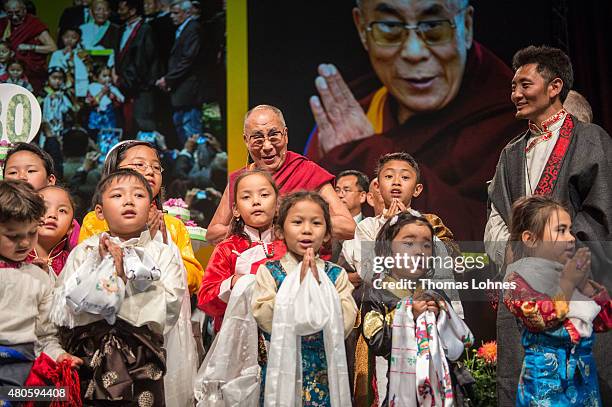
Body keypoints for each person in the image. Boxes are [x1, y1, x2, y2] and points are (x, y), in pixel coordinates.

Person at [305, 0, 524, 241]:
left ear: (467, 26)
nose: (414, 52)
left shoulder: (514, 118)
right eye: (388, 27)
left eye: (434, 26)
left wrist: (362, 153)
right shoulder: (349, 118)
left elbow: (499, 236)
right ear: (362, 28)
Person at [485, 46, 612, 405]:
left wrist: (557, 251)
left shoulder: (590, 139)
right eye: (512, 86)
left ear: (555, 86)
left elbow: (602, 212)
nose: (515, 94)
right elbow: (498, 214)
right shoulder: (510, 153)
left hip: (574, 287)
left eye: (525, 84)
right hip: (527, 293)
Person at [52, 169, 185, 404]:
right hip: (90, 354)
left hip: (142, 356)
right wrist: (108, 278)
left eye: (138, 195)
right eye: (117, 196)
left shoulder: (162, 253)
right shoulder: (85, 251)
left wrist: (122, 281)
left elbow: (171, 305)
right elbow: (66, 307)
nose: (129, 201)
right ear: (100, 212)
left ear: (152, 208)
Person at [503, 196, 611, 406]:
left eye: (570, 230)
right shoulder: (518, 279)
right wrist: (568, 284)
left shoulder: (567, 273)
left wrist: (587, 288)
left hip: (584, 379)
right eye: (561, 230)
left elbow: (603, 322)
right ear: (530, 239)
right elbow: (541, 318)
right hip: (546, 382)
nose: (570, 238)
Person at [252, 191, 357, 406]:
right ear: (280, 231)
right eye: (297, 222)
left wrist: (318, 286)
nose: (307, 230)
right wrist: (296, 287)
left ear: (327, 234)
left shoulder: (335, 275)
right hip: (283, 368)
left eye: (316, 223)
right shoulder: (270, 271)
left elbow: (346, 321)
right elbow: (263, 316)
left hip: (325, 370)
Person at [361, 211, 473, 406]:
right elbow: (376, 341)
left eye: (426, 244)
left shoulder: (435, 295)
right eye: (408, 243)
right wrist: (408, 316)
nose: (419, 251)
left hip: (442, 387)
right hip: (399, 386)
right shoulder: (377, 294)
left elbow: (460, 344)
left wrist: (441, 318)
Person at [206, 104, 356, 244]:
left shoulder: (307, 170)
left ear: (285, 135)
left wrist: (292, 219)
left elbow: (348, 227)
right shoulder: (240, 180)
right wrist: (250, 228)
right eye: (258, 139)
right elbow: (212, 234)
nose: (267, 146)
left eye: (274, 136)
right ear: (246, 141)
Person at [79, 140, 204, 295]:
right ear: (115, 171)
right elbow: (85, 269)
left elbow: (195, 278)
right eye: (139, 164)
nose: (150, 171)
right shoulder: (97, 219)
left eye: (156, 167)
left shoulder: (174, 225)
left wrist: (163, 246)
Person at [0, 180, 81, 387]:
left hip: (25, 367)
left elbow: (46, 337)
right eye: (13, 236)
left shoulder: (39, 278)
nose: (25, 242)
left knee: (57, 394)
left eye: (32, 232)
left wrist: (60, 356)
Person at [346, 152, 459, 278]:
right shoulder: (366, 227)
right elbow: (368, 273)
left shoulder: (430, 224)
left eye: (405, 177)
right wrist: (387, 227)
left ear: (417, 190)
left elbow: (445, 271)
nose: (396, 182)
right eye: (389, 176)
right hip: (382, 296)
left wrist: (408, 224)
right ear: (377, 186)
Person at [198, 170, 284, 331]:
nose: (256, 202)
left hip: (282, 334)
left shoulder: (290, 247)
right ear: (235, 210)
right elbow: (205, 300)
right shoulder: (227, 248)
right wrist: (233, 283)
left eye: (264, 195)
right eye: (246, 197)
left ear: (278, 204)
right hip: (238, 337)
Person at [156, 0, 204, 147]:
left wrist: (168, 79)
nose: (172, 16)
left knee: (191, 128)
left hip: (189, 89)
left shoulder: (193, 28)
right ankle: (187, 157)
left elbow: (187, 60)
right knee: (181, 125)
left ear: (187, 13)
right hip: (181, 89)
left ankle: (195, 161)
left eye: (176, 13)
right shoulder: (183, 29)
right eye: (171, 13)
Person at [114, 0, 161, 137]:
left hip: (140, 88)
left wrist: (125, 80)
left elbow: (142, 61)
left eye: (122, 9)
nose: (119, 12)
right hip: (123, 87)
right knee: (125, 126)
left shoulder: (146, 29)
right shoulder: (122, 29)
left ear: (133, 10)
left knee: (142, 125)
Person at [0, 0, 57, 91]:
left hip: (30, 73)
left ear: (24, 10)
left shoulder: (34, 24)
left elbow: (52, 48)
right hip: (7, 72)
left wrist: (30, 47)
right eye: (10, 13)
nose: (14, 16)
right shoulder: (3, 24)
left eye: (17, 12)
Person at [26, 185, 76, 279]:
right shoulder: (12, 256)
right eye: (44, 208)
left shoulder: (74, 263)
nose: (52, 215)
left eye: (62, 210)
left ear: (70, 228)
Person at [39, 67, 75, 179]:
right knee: (44, 151)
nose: (57, 81)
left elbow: (72, 109)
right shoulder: (43, 93)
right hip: (45, 129)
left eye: (60, 78)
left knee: (59, 152)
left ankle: (58, 175)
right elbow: (36, 106)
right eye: (54, 78)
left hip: (60, 128)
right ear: (48, 79)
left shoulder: (65, 94)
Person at [86, 64, 125, 159]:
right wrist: (102, 93)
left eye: (109, 76)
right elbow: (90, 102)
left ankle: (107, 156)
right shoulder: (92, 87)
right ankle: (96, 155)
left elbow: (121, 100)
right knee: (96, 137)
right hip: (97, 118)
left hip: (109, 118)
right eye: (104, 76)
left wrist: (112, 95)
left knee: (109, 138)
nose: (107, 79)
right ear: (96, 77)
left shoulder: (112, 88)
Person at [48, 27, 91, 98]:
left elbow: (88, 69)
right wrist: (63, 56)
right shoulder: (57, 54)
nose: (70, 40)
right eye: (67, 37)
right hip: (62, 85)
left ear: (79, 39)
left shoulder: (82, 54)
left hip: (80, 85)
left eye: (74, 37)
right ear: (62, 37)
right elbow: (52, 71)